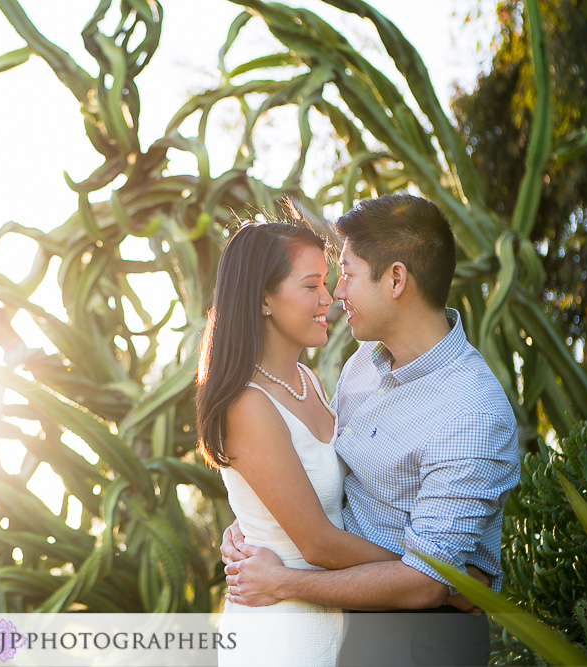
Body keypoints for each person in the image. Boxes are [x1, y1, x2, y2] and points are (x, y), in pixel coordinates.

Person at [221, 194, 520, 666]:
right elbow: (320, 472)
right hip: (341, 621)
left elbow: (424, 586)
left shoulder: (471, 414)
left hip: (416, 640)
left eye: (348, 274)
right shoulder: (364, 364)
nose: (337, 293)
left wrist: (285, 581)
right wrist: (260, 516)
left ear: (396, 279)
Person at [196, 219, 409, 666]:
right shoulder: (247, 405)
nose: (328, 299)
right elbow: (318, 544)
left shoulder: (305, 381)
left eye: (327, 284)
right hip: (281, 638)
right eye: (312, 285)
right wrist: (425, 571)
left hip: (330, 619)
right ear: (263, 299)